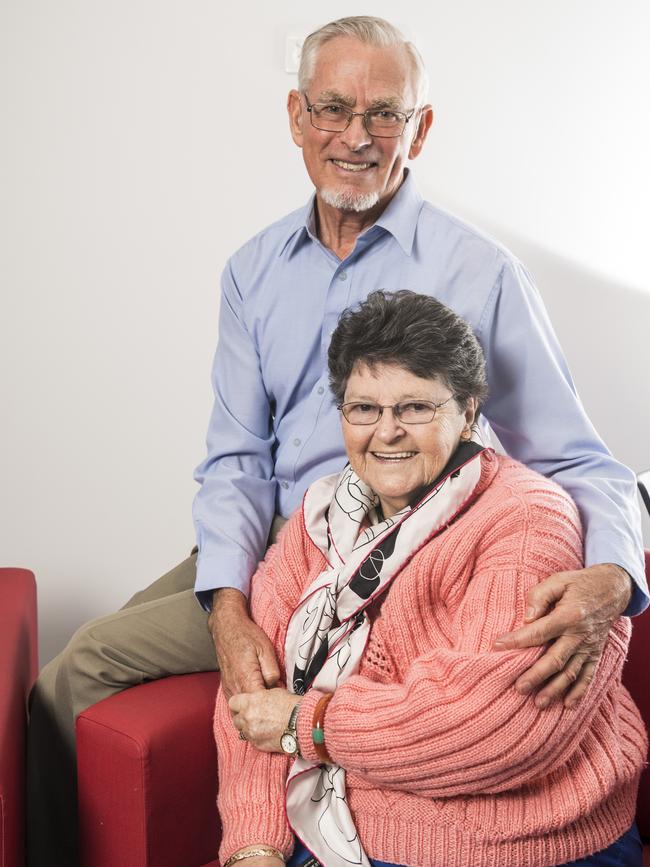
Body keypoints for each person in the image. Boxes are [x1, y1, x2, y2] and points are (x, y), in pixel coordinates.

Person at [26, 15, 648, 867]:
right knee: (70, 675)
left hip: (405, 550)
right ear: (295, 117)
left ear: (419, 129)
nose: (356, 136)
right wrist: (229, 604)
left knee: (88, 657)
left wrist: (615, 576)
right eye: (333, 108)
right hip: (284, 541)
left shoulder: (483, 272)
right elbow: (236, 459)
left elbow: (578, 459)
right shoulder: (253, 270)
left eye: (384, 113)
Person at [217, 290, 646, 867]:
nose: (386, 431)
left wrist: (307, 722)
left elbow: (503, 726)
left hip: (513, 840)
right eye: (363, 408)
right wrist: (254, 847)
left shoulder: (525, 519)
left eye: (416, 407)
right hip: (335, 826)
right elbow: (250, 695)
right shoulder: (319, 520)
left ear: (469, 411)